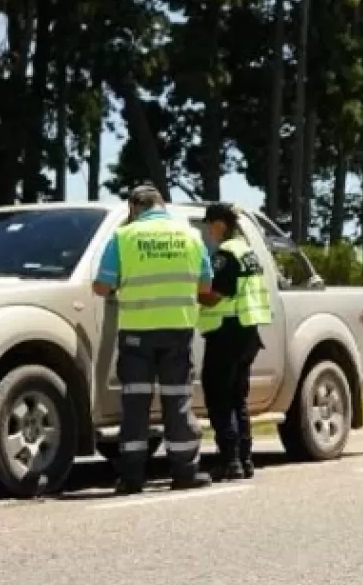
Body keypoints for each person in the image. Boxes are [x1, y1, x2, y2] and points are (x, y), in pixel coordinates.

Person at [93, 184, 213, 495]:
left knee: (135, 404)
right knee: (177, 401)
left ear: (134, 207)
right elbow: (205, 286)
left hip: (136, 333)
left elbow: (102, 287)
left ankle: (132, 477)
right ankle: (185, 472)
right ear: (162, 205)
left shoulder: (123, 237)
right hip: (178, 330)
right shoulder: (191, 236)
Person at [198, 202, 273, 482]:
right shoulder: (247, 252)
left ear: (220, 224)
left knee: (219, 398)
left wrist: (190, 293)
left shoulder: (226, 254)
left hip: (226, 332)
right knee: (237, 398)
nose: (208, 231)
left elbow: (216, 295)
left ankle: (230, 461)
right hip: (247, 333)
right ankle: (245, 459)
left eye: (209, 225)